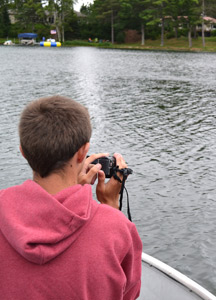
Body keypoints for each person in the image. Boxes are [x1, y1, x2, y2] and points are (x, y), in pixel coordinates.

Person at [0, 95, 142, 299]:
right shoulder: (117, 229)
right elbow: (128, 294)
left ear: (23, 152)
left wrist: (72, 196)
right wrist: (109, 207)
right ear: (83, 152)